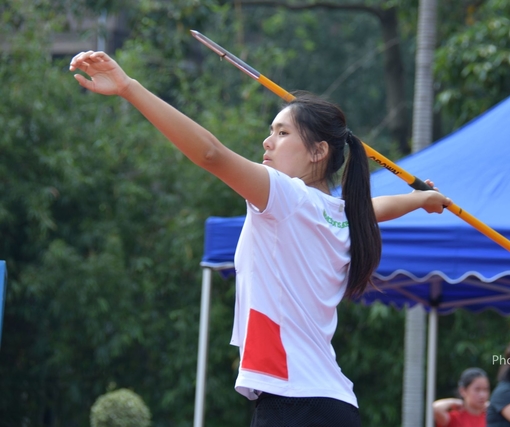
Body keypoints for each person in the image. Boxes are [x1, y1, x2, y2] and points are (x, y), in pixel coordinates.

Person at [69, 50, 451, 427]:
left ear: (318, 152)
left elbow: (210, 153)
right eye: (271, 131)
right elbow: (376, 207)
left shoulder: (285, 194)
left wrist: (129, 87)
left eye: (282, 133)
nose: (268, 141)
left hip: (293, 402)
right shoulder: (337, 212)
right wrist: (421, 200)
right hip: (334, 404)